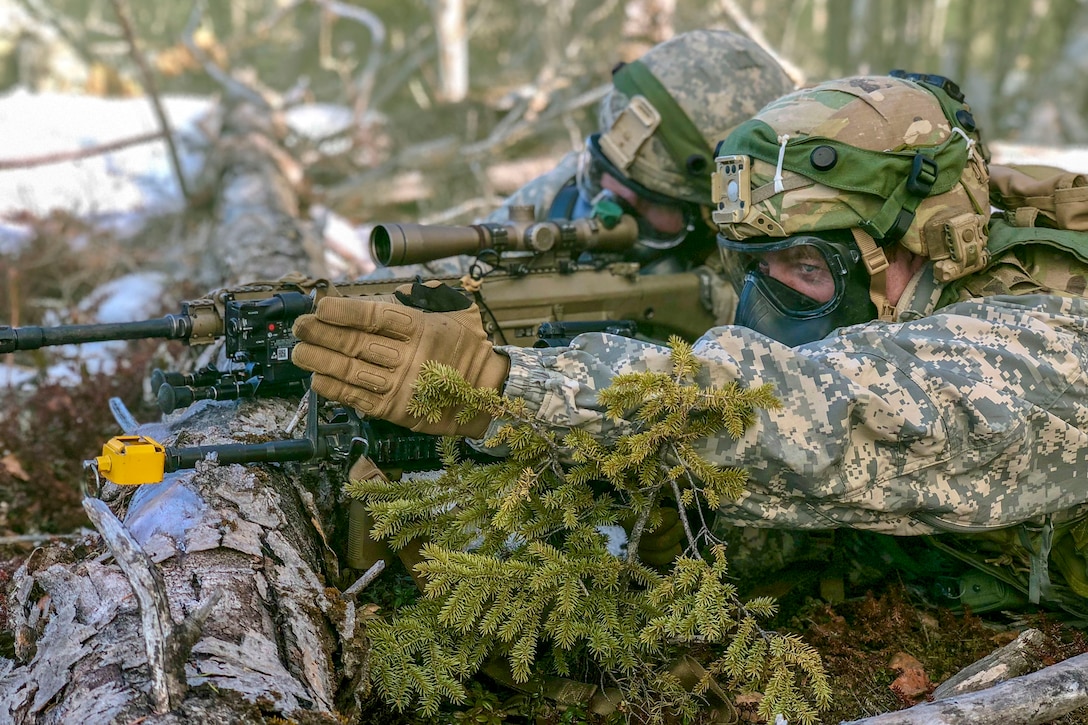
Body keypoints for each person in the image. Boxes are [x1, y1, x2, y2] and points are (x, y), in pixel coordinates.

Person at [293, 71, 1088, 614]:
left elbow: (830, 412)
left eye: (806, 267)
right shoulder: (897, 293)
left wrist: (503, 384)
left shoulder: (1045, 335)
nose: (761, 302)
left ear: (923, 241)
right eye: (754, 265)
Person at [368, 28, 795, 292]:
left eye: (652, 200)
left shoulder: (776, 261)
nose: (607, 202)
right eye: (601, 173)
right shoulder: (569, 195)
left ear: (717, 214)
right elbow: (448, 273)